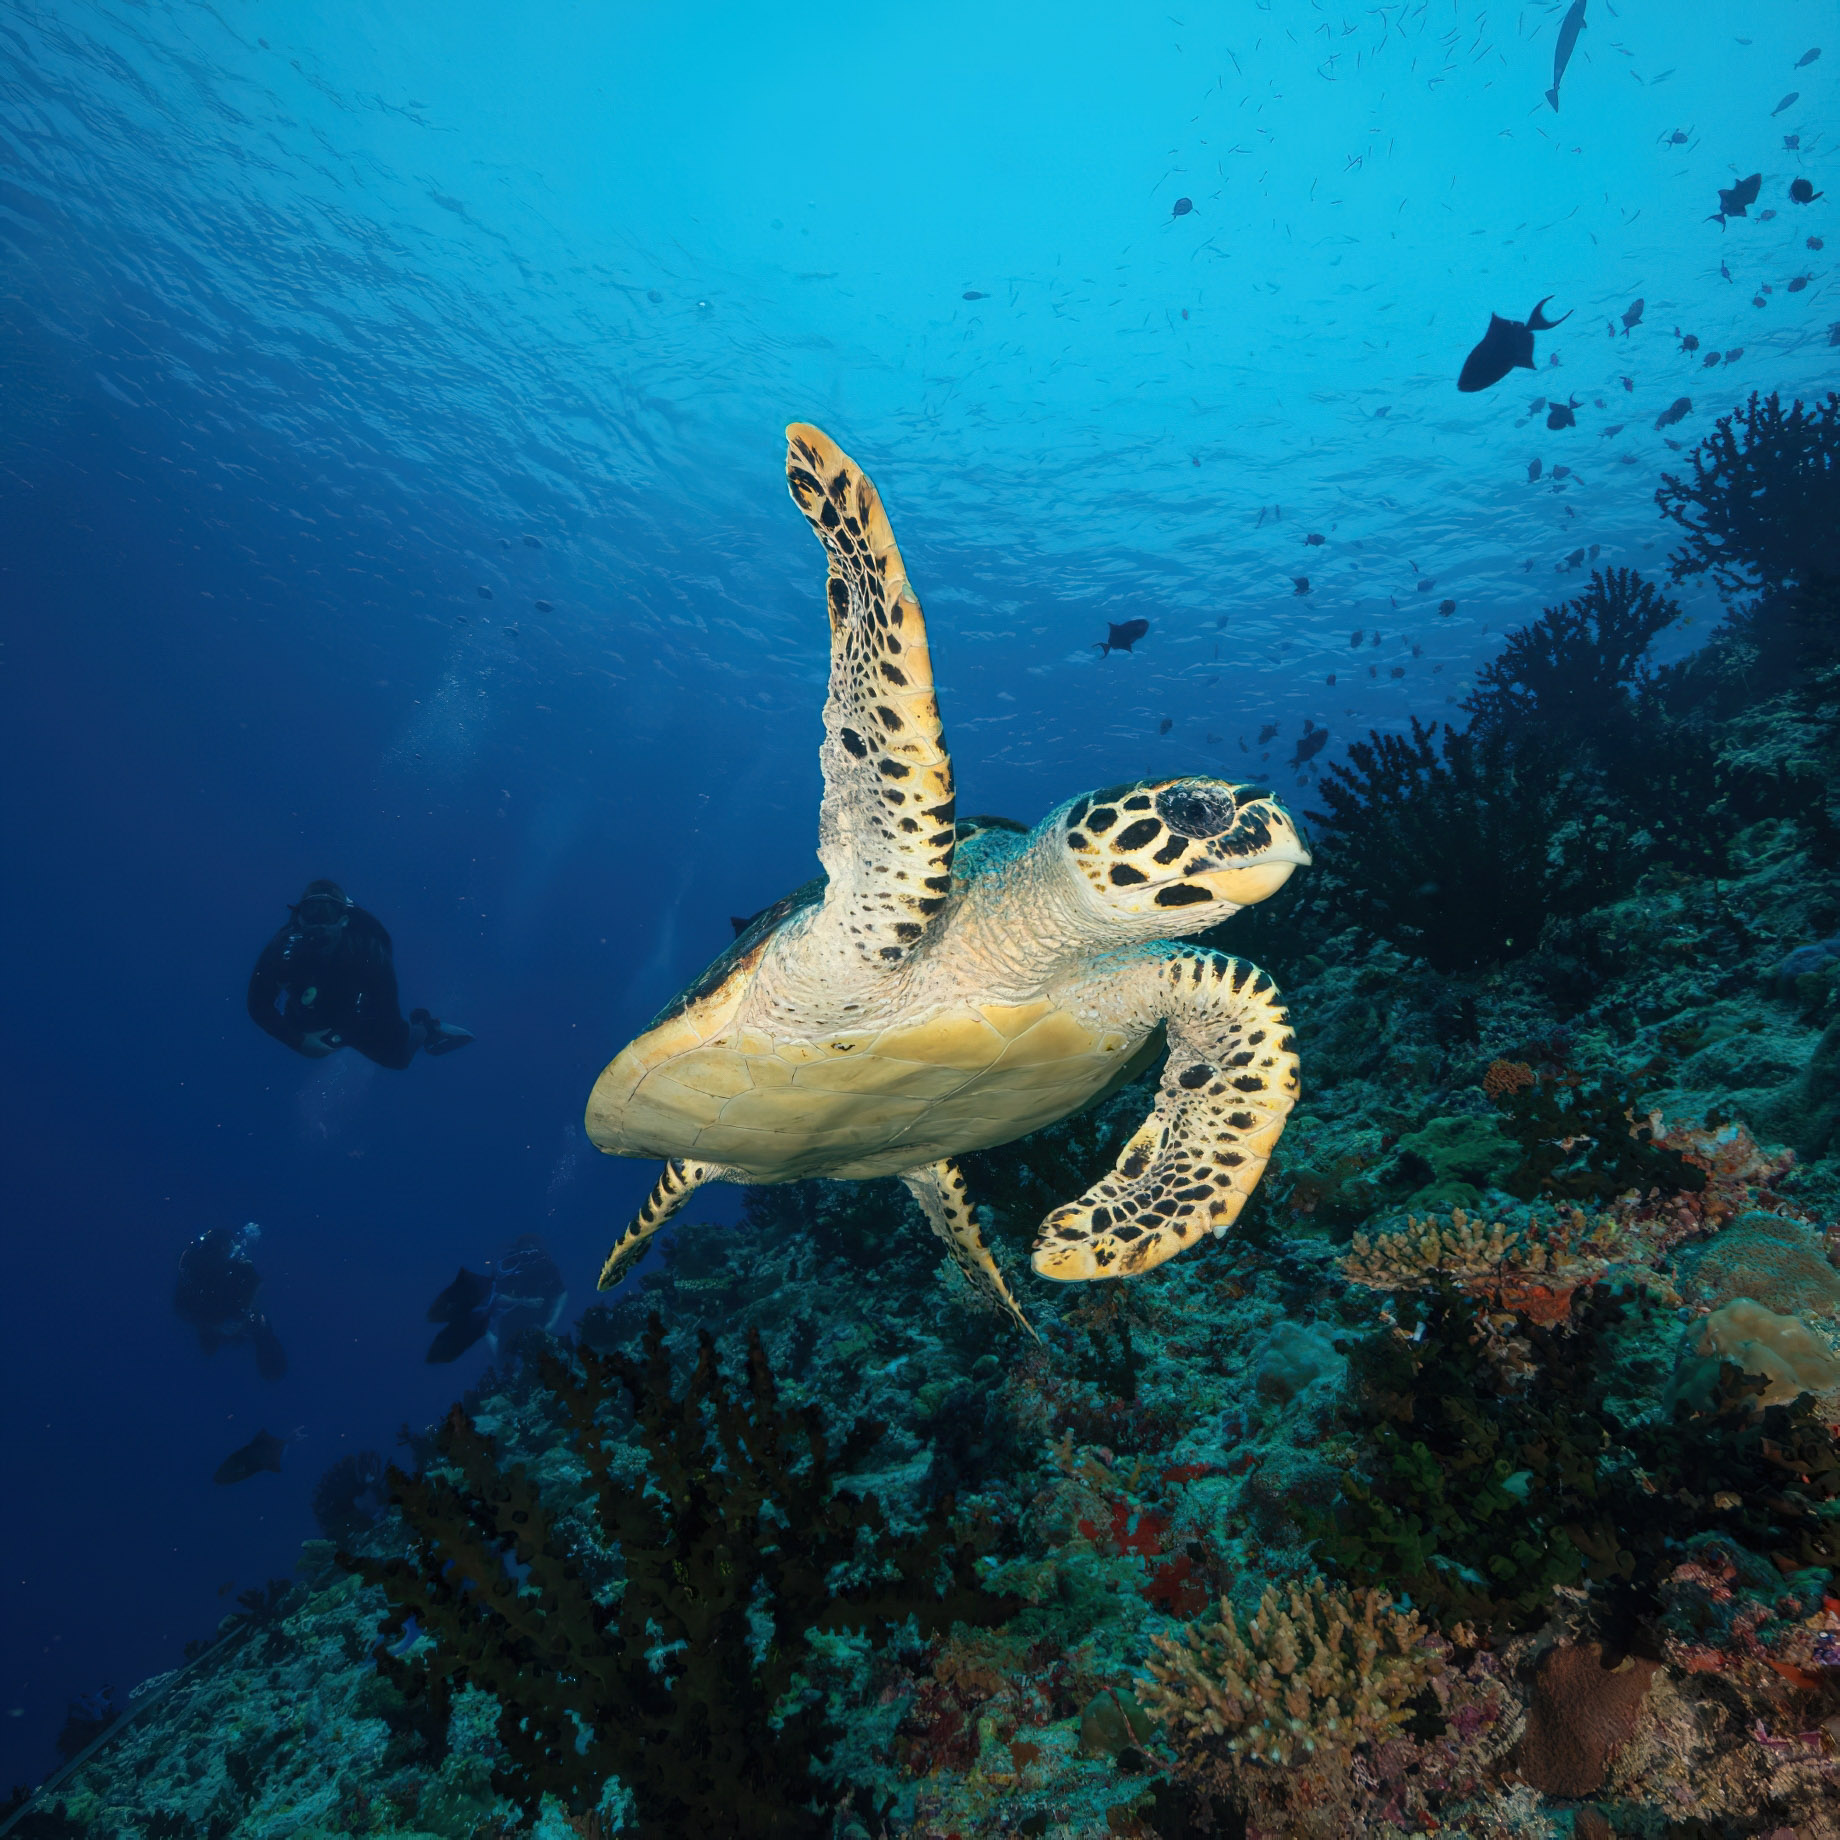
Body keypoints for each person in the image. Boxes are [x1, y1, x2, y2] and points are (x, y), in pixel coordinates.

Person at [246, 879, 472, 1068]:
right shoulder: (283, 949)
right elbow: (258, 1005)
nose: (319, 924)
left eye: (328, 913)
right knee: (294, 1032)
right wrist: (299, 1042)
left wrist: (338, 1036)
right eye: (312, 912)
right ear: (300, 919)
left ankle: (426, 1028)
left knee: (398, 1059)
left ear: (343, 920)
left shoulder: (369, 950)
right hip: (308, 1012)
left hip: (359, 1011)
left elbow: (385, 1011)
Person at [173, 1221, 287, 1380]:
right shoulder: (197, 1266)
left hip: (219, 1315)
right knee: (256, 1331)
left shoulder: (198, 1265)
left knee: (255, 1331)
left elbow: (254, 1285)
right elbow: (181, 1305)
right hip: (213, 1316)